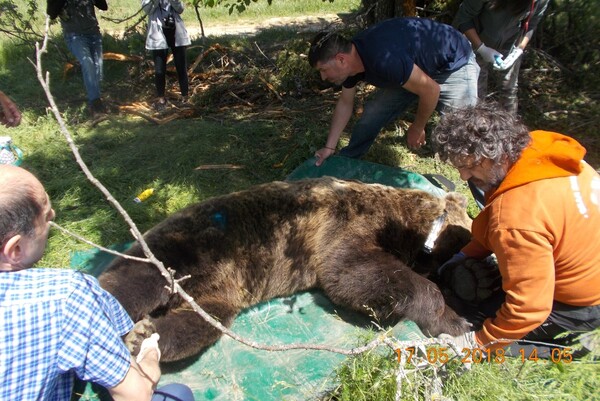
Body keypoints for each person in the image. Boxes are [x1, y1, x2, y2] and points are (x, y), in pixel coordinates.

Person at [0, 164, 195, 400]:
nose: (53, 216)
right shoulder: (65, 297)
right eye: (45, 214)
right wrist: (151, 352)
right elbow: (135, 395)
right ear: (15, 249)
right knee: (178, 394)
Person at [432, 102, 600, 356]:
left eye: (472, 166)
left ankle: (574, 347)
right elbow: (500, 217)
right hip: (584, 267)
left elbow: (529, 308)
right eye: (459, 167)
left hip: (579, 306)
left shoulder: (516, 217)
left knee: (465, 312)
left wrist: (476, 344)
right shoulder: (541, 149)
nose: (464, 177)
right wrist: (465, 254)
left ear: (496, 154)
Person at [307, 17, 479, 166]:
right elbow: (345, 103)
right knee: (373, 114)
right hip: (413, 69)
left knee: (465, 136)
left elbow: (431, 90)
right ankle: (348, 161)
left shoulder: (383, 59)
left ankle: (493, 192)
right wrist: (330, 146)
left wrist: (418, 127)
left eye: (323, 69)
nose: (323, 77)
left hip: (453, 63)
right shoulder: (352, 63)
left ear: (341, 60)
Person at [453, 0, 549, 115]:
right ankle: (476, 127)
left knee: (509, 90)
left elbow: (532, 24)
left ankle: (510, 130)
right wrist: (481, 48)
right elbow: (464, 17)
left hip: (510, 44)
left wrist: (519, 49)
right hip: (474, 42)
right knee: (476, 92)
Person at [142, 0, 191, 111]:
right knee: (159, 70)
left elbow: (180, 9)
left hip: (176, 31)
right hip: (157, 34)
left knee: (181, 66)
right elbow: (147, 10)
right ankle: (161, 100)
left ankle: (185, 97)